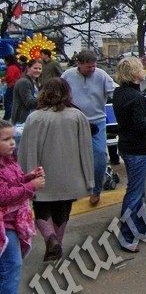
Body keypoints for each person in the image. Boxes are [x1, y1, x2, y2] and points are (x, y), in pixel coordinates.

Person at [17, 78, 93, 262]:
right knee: (63, 208)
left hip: (42, 173)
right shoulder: (77, 116)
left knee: (41, 207)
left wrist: (25, 177)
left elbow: (27, 149)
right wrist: (89, 179)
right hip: (71, 174)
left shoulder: (34, 117)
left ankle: (51, 240)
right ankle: (56, 242)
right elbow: (86, 149)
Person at [0, 119, 44, 294]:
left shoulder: (9, 161)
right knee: (11, 265)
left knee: (8, 266)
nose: (12, 143)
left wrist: (29, 177)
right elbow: (3, 195)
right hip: (4, 226)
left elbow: (13, 184)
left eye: (12, 138)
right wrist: (30, 186)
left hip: (10, 224)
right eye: (6, 139)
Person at [112, 57, 146, 253]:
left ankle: (139, 229)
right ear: (135, 73)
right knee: (134, 193)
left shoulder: (119, 93)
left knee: (137, 191)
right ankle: (127, 235)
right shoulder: (136, 97)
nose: (144, 71)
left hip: (126, 144)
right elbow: (141, 125)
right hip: (137, 148)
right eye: (140, 68)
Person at [61, 50, 116, 206]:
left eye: (93, 66)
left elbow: (115, 90)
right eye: (88, 67)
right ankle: (74, 189)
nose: (91, 70)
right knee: (72, 156)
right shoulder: (68, 75)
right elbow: (59, 92)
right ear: (79, 64)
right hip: (74, 121)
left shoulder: (101, 75)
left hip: (97, 121)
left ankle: (96, 190)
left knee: (99, 154)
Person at [11, 59, 42, 125]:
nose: (38, 71)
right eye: (35, 68)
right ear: (28, 68)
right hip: (22, 121)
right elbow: (29, 103)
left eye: (40, 69)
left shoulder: (33, 81)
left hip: (29, 119)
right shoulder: (24, 82)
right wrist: (45, 97)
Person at [2, 55, 23, 121]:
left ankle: (7, 117)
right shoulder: (17, 67)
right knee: (12, 102)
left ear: (7, 61)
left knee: (7, 102)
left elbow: (10, 76)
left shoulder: (11, 67)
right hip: (17, 85)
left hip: (12, 86)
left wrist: (4, 78)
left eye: (5, 61)